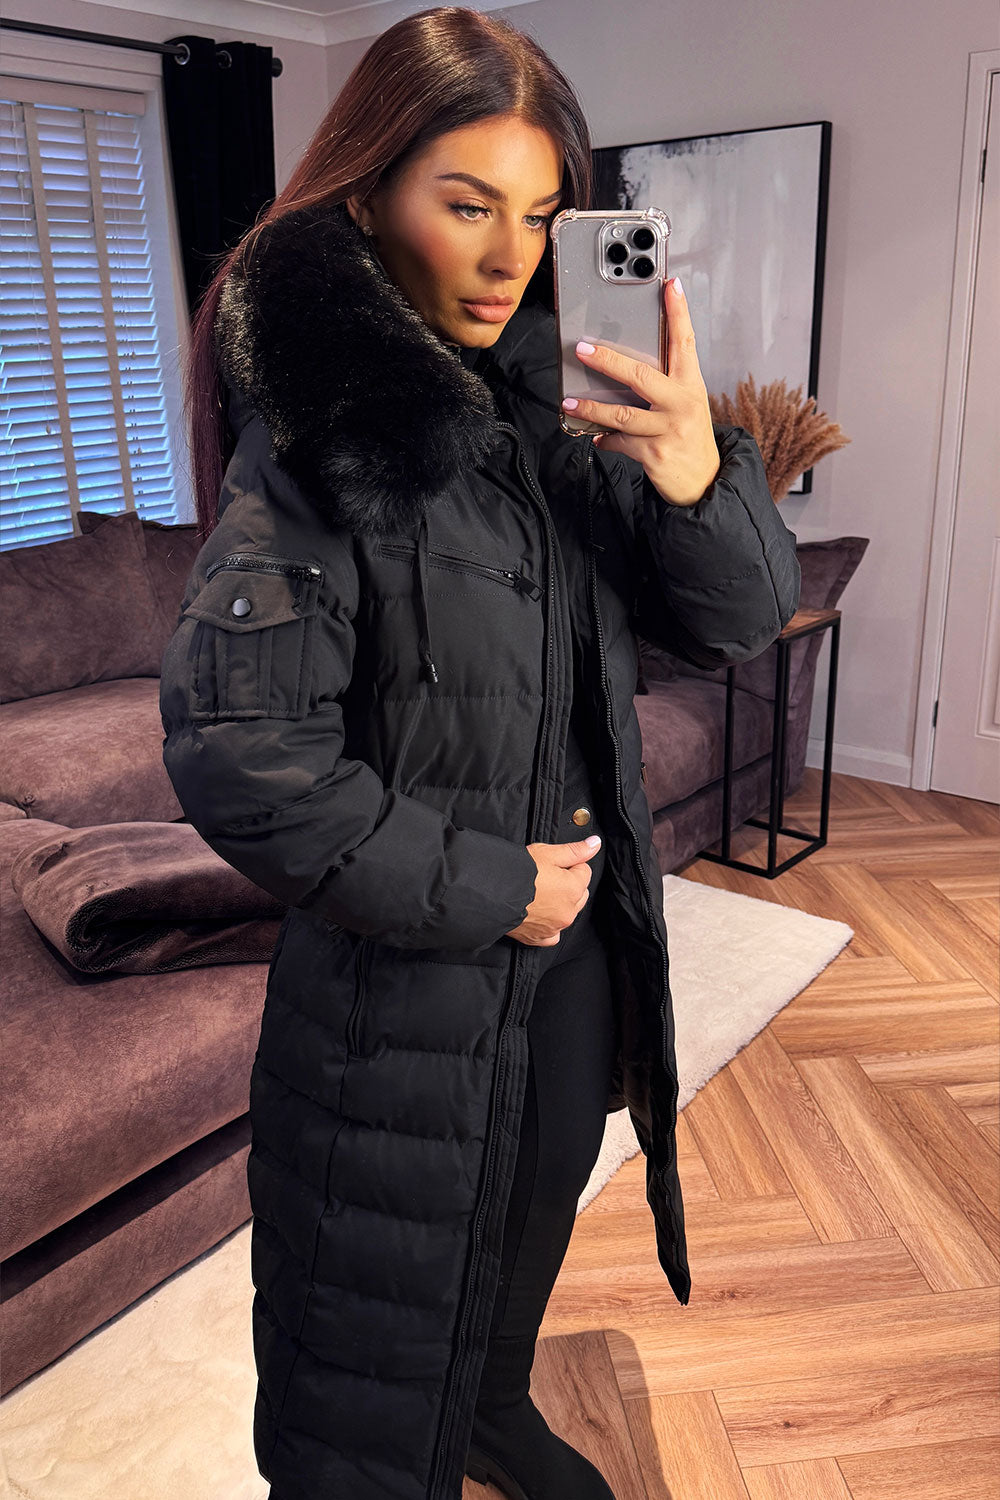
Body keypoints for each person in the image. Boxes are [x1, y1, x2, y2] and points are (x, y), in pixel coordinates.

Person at [159, 8, 801, 1498]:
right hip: (408, 977)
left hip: (576, 945)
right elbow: (243, 755)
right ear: (370, 195)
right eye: (466, 206)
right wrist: (494, 888)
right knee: (366, 1305)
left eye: (539, 213)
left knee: (540, 1189)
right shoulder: (323, 438)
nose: (508, 256)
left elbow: (738, 624)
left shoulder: (569, 416)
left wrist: (697, 473)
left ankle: (494, 1404)